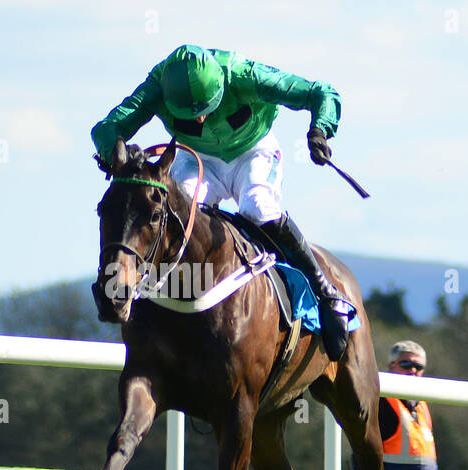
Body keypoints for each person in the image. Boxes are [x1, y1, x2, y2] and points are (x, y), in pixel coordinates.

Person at [90, 43, 354, 360]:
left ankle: (326, 293)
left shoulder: (245, 74)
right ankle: (146, 294)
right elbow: (106, 128)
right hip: (198, 157)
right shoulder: (157, 85)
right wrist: (113, 153)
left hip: (253, 152)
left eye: (206, 109)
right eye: (188, 116)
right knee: (175, 211)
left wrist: (320, 130)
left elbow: (321, 92)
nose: (199, 120)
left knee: (258, 207)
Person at [354, 341, 441, 470]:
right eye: (406, 364)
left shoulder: (423, 404)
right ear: (390, 365)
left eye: (418, 367)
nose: (413, 370)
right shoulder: (380, 402)